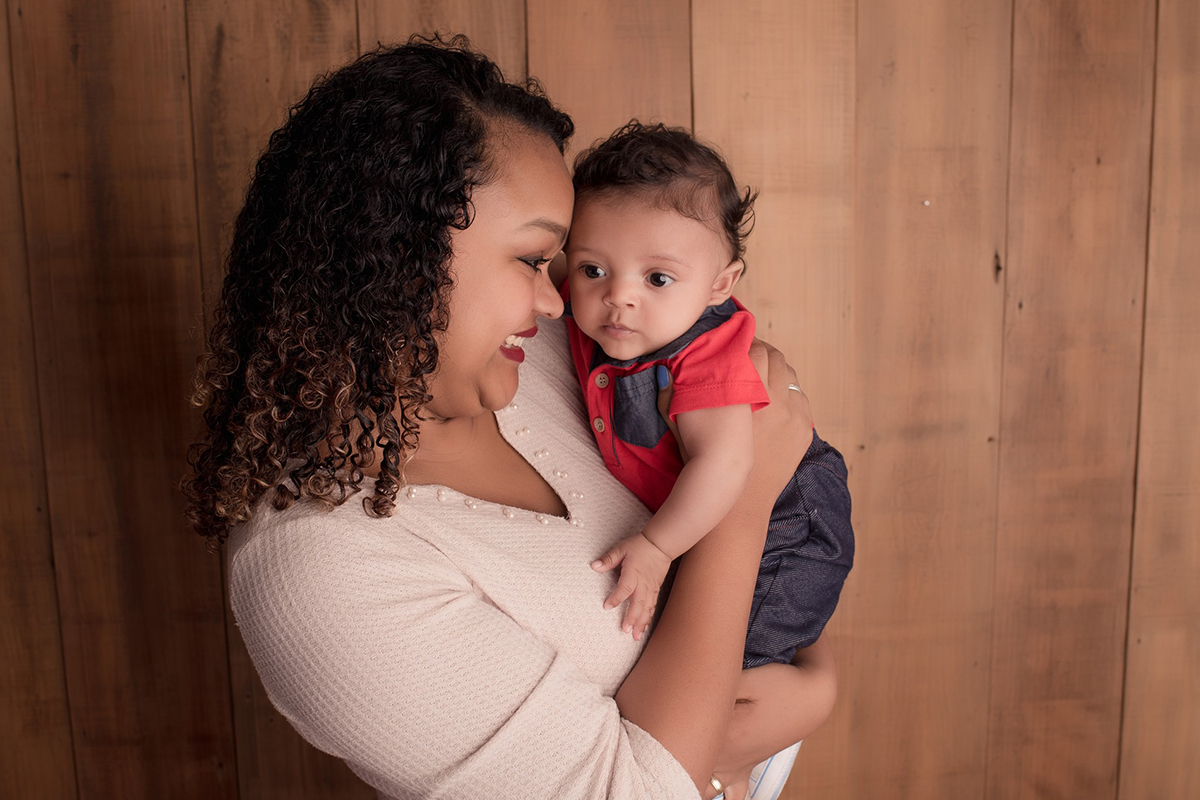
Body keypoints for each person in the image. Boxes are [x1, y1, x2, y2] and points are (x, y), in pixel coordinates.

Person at [184, 35, 836, 800]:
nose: (561, 300)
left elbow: (793, 483)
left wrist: (819, 685)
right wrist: (744, 495)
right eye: (535, 261)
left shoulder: (553, 350)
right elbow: (761, 465)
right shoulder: (321, 575)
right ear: (401, 259)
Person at [560, 123, 855, 673]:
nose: (618, 296)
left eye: (658, 278)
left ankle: (752, 747)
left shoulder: (703, 357)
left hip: (785, 519)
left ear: (721, 285)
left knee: (737, 654)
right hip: (710, 509)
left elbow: (726, 463)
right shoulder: (588, 307)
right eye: (593, 269)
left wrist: (656, 547)